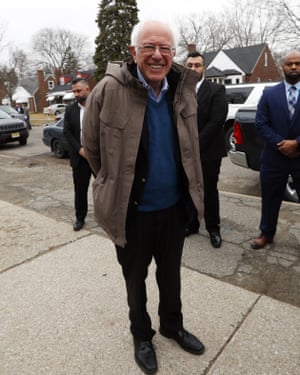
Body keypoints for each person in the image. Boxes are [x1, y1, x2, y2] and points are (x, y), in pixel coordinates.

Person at [83, 20, 205, 375]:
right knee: (135, 280)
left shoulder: (183, 90)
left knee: (171, 276)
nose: (157, 55)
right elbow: (91, 150)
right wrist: (115, 186)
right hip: (131, 214)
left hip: (173, 209)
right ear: (134, 52)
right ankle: (141, 334)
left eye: (165, 48)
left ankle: (172, 324)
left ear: (172, 54)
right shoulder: (107, 90)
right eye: (149, 48)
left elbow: (190, 147)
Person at [251, 50, 300, 249]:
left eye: (298, 63)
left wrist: (296, 143)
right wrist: (281, 143)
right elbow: (260, 123)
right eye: (290, 64)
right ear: (282, 67)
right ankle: (266, 233)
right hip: (274, 158)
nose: (294, 67)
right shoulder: (269, 93)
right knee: (270, 199)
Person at [185, 51, 228, 248]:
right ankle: (192, 224)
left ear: (204, 67)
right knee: (189, 189)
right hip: (185, 152)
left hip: (209, 151)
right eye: (190, 65)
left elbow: (216, 121)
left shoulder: (216, 90)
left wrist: (195, 145)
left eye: (197, 65)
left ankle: (213, 228)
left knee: (208, 190)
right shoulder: (180, 91)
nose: (193, 69)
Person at [63, 78, 93, 231]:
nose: (76, 94)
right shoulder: (70, 110)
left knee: (105, 189)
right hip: (79, 158)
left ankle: (109, 217)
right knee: (80, 190)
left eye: (79, 90)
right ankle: (80, 218)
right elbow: (67, 132)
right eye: (74, 91)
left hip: (98, 157)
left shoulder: (98, 106)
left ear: (88, 89)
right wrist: (80, 150)